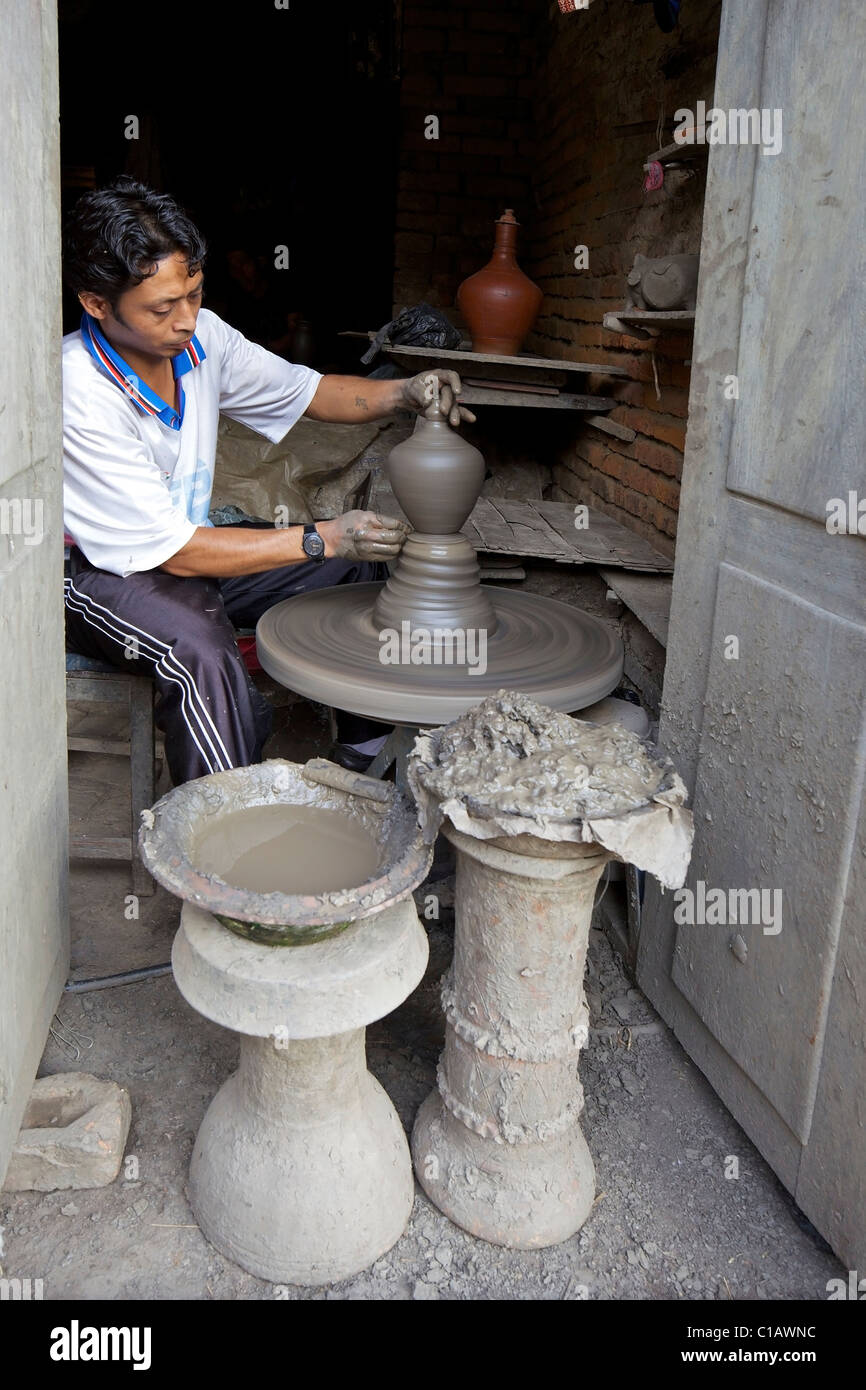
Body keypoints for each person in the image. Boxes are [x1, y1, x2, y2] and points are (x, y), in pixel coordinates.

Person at [61, 178, 473, 784]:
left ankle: (362, 758)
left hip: (185, 546)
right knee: (200, 651)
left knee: (359, 571)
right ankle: (221, 838)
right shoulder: (80, 389)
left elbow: (309, 391)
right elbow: (172, 554)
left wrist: (403, 393)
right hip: (95, 574)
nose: (185, 320)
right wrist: (323, 535)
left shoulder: (202, 339)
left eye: (194, 295)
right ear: (97, 303)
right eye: (161, 307)